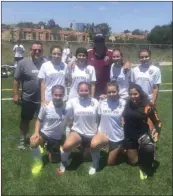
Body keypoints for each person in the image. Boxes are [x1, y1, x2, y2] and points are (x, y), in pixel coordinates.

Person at [122, 83, 162, 180]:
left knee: (148, 149)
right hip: (129, 135)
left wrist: (157, 132)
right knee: (134, 162)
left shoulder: (147, 106)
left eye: (135, 94)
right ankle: (139, 151)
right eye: (130, 94)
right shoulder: (126, 103)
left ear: (140, 93)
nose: (133, 96)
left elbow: (158, 122)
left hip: (142, 135)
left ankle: (149, 153)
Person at [59, 82, 99, 175]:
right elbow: (65, 110)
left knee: (90, 152)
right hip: (78, 131)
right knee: (66, 146)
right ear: (77, 91)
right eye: (81, 90)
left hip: (92, 133)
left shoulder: (95, 102)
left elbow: (100, 117)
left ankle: (95, 165)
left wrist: (98, 132)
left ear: (89, 91)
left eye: (86, 90)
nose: (83, 92)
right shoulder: (72, 101)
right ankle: (63, 163)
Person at [13, 41, 45, 150]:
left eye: (39, 50)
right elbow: (16, 80)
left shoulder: (45, 63)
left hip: (42, 100)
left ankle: (40, 140)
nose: (37, 52)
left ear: (42, 51)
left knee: (42, 121)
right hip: (28, 98)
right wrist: (16, 94)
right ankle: (22, 140)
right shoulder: (22, 63)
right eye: (34, 50)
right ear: (30, 50)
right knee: (25, 119)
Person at [30, 85, 67, 174]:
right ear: (52, 94)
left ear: (64, 95)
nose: (58, 97)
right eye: (56, 94)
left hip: (57, 138)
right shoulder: (46, 106)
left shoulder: (67, 106)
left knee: (53, 161)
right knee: (33, 142)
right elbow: (38, 120)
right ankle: (38, 162)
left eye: (60, 95)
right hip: (45, 134)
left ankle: (51, 147)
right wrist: (36, 133)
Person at [90, 82, 126, 165]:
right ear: (106, 92)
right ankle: (95, 164)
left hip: (117, 136)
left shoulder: (123, 103)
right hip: (103, 134)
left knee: (110, 163)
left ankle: (121, 148)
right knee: (93, 145)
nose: (111, 94)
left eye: (114, 92)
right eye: (109, 92)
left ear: (118, 91)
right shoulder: (102, 102)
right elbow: (98, 117)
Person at [87, 33, 131, 98]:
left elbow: (120, 58)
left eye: (101, 41)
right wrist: (73, 60)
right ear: (94, 42)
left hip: (107, 91)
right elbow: (79, 57)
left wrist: (127, 62)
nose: (99, 43)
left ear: (104, 42)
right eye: (97, 41)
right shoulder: (89, 52)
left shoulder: (110, 53)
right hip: (92, 89)